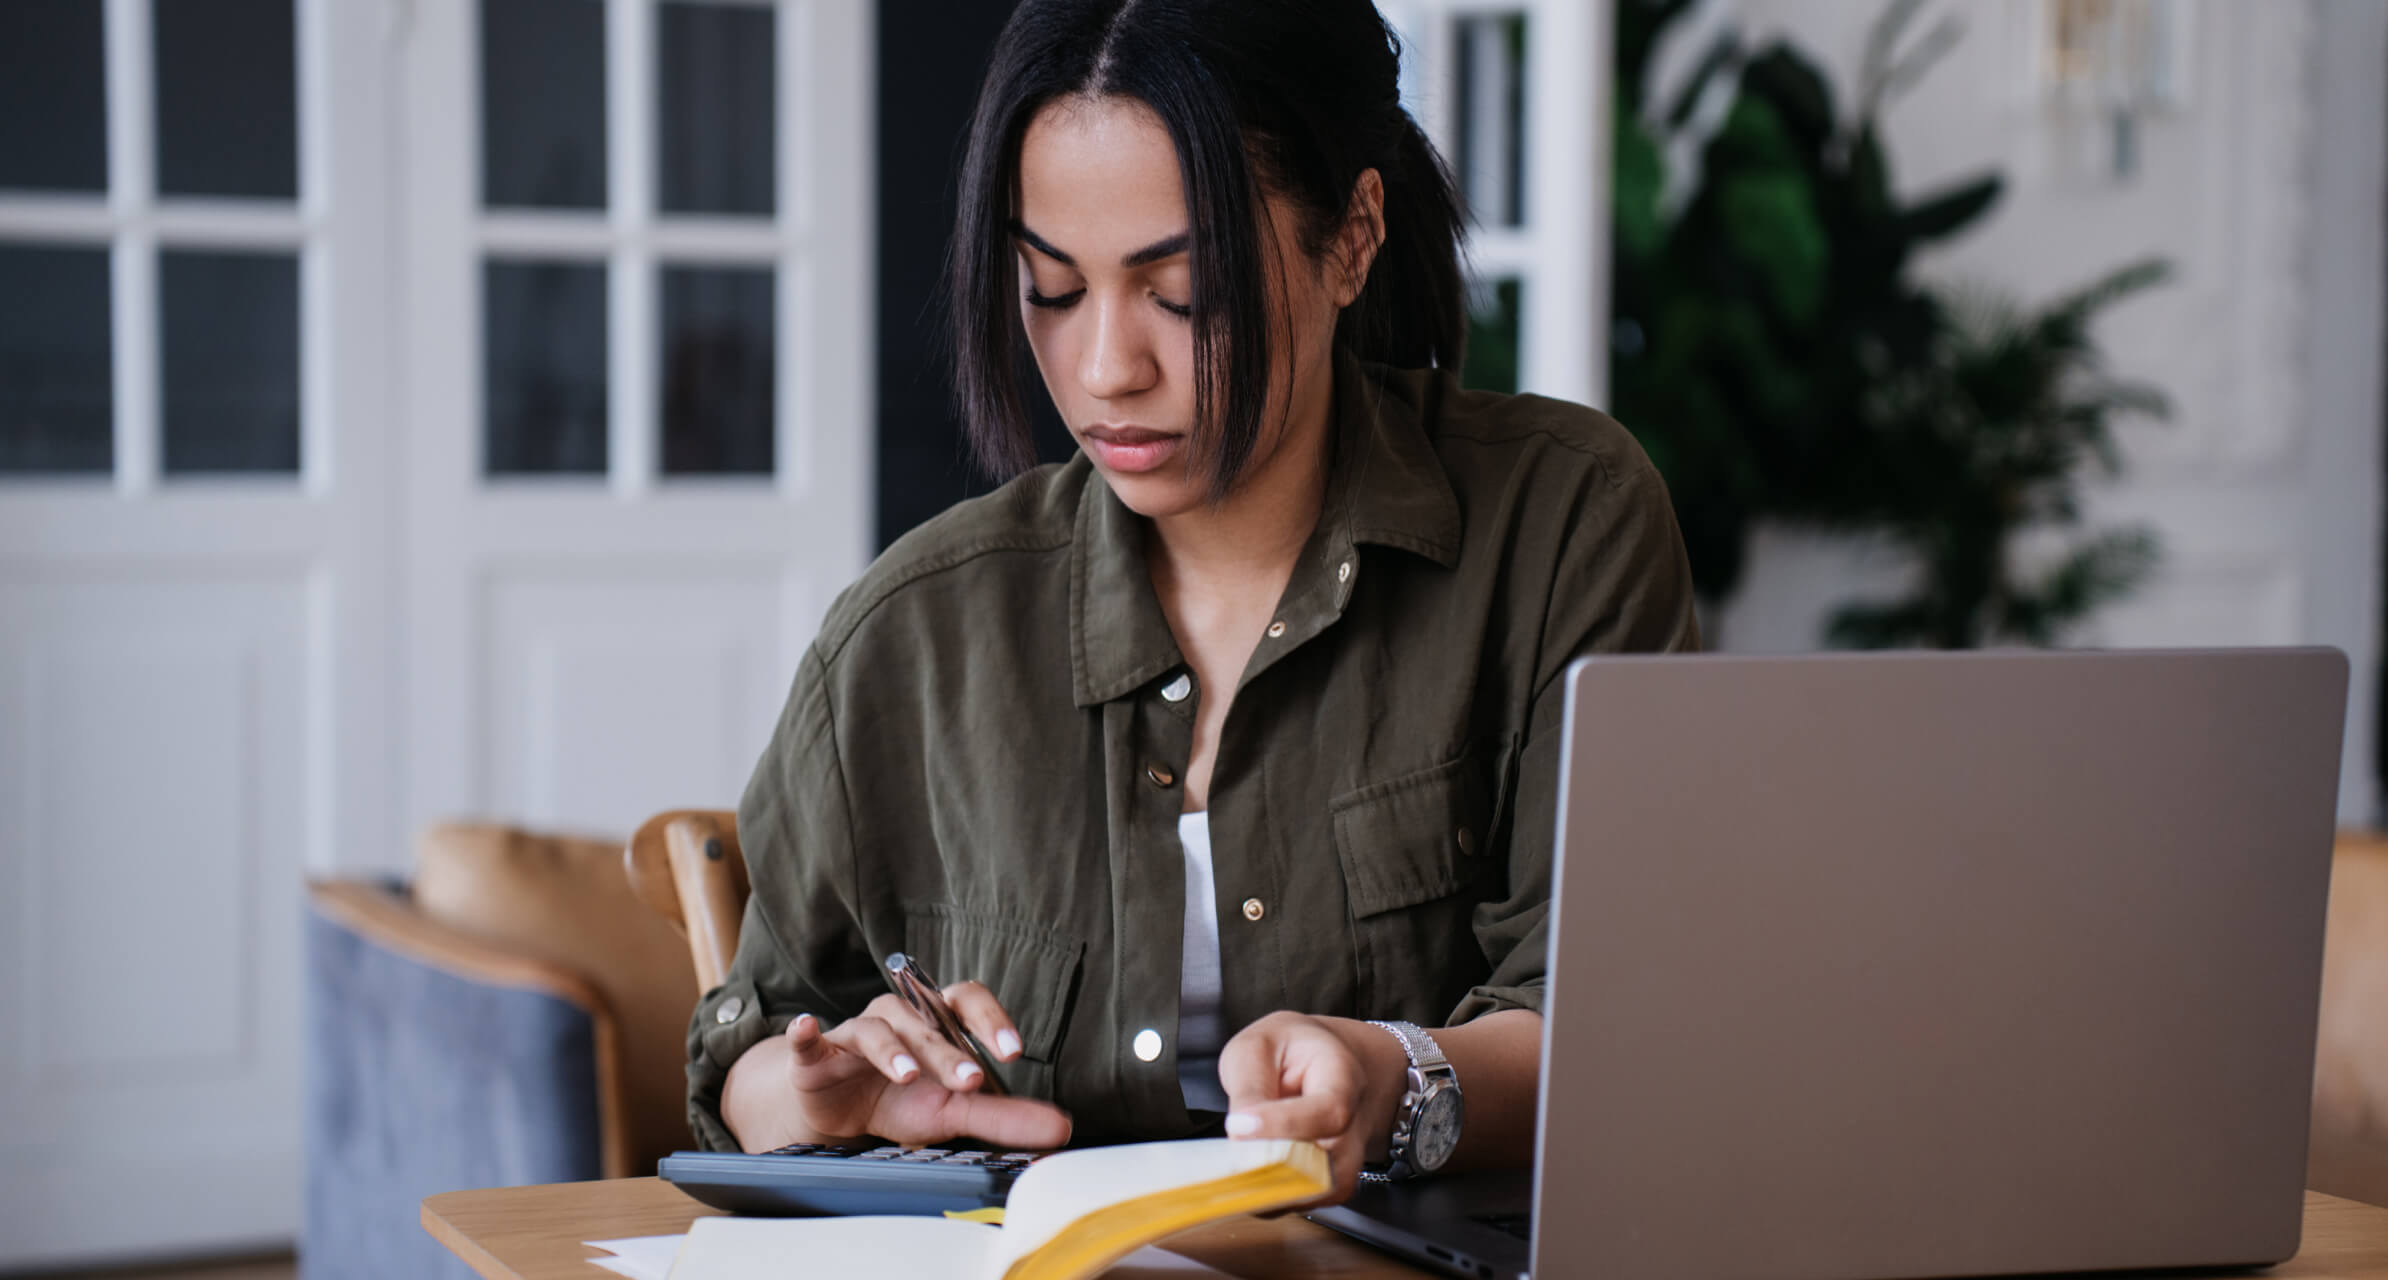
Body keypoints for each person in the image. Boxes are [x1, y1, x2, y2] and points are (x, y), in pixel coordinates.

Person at [686, 0, 1698, 1206]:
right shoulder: (912, 635)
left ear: (1352, 237)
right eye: (1050, 287)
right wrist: (816, 1095)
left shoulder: (1563, 526)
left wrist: (1403, 1074)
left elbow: (1620, 1021)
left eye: (1184, 291)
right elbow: (749, 1051)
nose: (1107, 364)